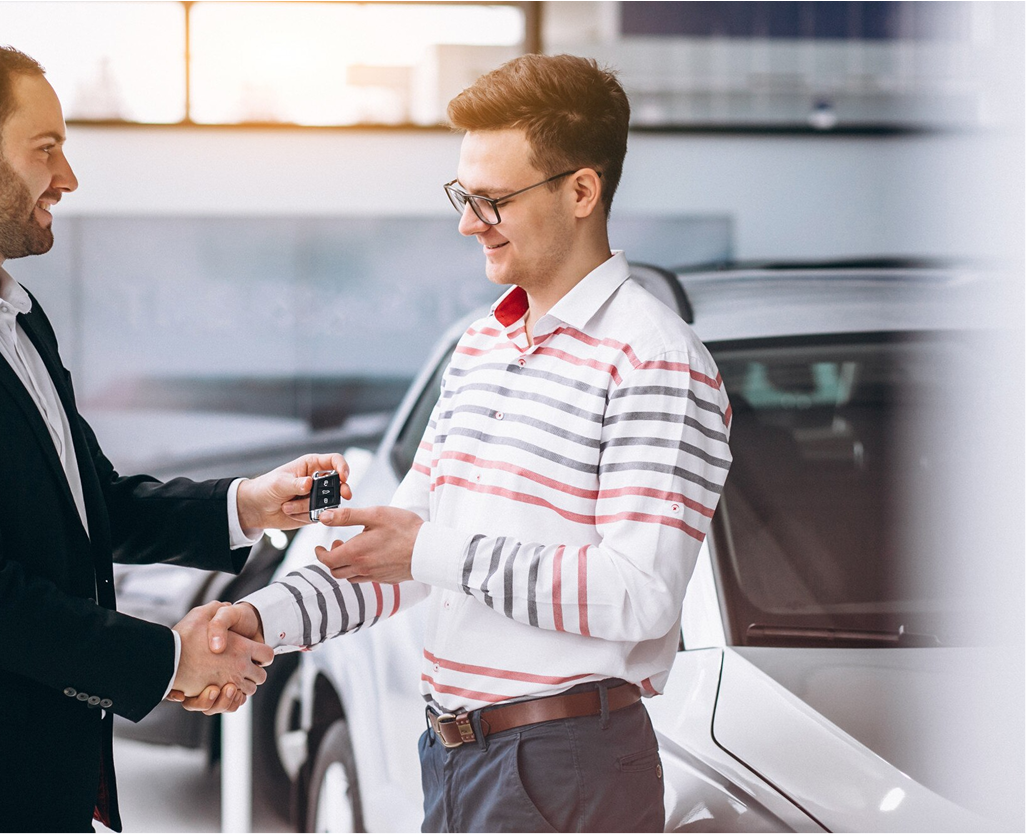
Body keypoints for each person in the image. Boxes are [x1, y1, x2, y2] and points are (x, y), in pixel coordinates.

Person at [0, 41, 347, 834]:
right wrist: (170, 659)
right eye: (47, 149)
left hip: (41, 779)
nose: (67, 178)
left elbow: (89, 503)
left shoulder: (17, 321)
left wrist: (249, 506)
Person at [200, 54, 733, 833]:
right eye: (463, 196)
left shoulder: (656, 360)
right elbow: (399, 550)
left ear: (581, 191)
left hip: (564, 762)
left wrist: (431, 552)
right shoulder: (482, 346)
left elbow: (639, 592)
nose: (466, 222)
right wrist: (265, 621)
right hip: (454, 755)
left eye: (493, 200)